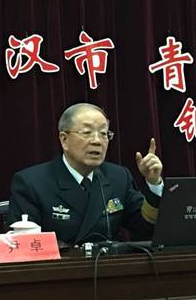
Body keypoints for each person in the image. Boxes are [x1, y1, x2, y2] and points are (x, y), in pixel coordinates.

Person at [8, 103, 164, 246]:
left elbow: (144, 229)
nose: (97, 141)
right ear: (64, 140)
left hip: (108, 265)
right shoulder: (31, 183)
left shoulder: (118, 177)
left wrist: (154, 183)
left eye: (103, 134)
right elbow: (25, 248)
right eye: (87, 132)